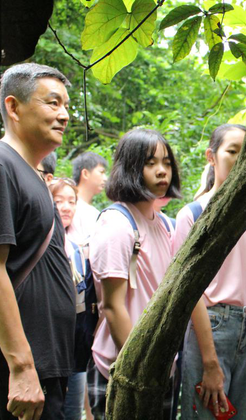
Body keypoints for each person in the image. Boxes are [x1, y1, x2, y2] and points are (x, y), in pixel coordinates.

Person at [0, 63, 74, 420]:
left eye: (66, 105)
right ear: (14, 107)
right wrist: (22, 367)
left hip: (47, 362)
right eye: (53, 103)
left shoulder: (33, 174)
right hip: (19, 371)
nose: (64, 115)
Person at [174, 124, 246, 420]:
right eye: (232, 151)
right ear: (211, 156)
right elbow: (188, 292)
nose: (240, 159)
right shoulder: (192, 216)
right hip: (211, 328)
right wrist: (209, 361)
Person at [87, 128, 181, 419]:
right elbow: (113, 307)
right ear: (130, 166)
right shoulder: (117, 225)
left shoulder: (166, 224)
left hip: (160, 369)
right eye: (150, 163)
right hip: (121, 369)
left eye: (166, 162)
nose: (162, 171)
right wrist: (138, 373)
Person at [48, 177, 88, 420]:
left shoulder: (76, 247)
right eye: (58, 201)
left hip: (75, 349)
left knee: (73, 413)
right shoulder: (39, 245)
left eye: (71, 201)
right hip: (50, 350)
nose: (66, 207)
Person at [69, 152, 108, 245]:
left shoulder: (92, 211)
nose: (105, 178)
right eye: (101, 172)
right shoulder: (70, 207)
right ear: (85, 173)